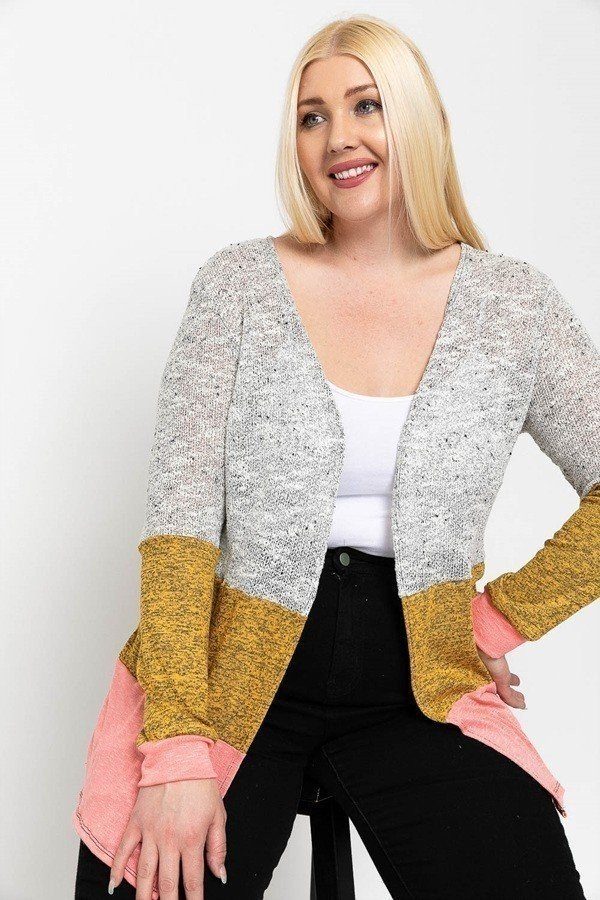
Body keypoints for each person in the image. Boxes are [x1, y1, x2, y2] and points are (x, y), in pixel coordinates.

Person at [73, 14, 599, 899]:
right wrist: (176, 750)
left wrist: (495, 622)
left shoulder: (515, 307)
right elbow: (179, 533)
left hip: (419, 687)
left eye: (366, 105)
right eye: (311, 117)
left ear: (419, 119)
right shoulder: (240, 286)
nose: (338, 138)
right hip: (229, 678)